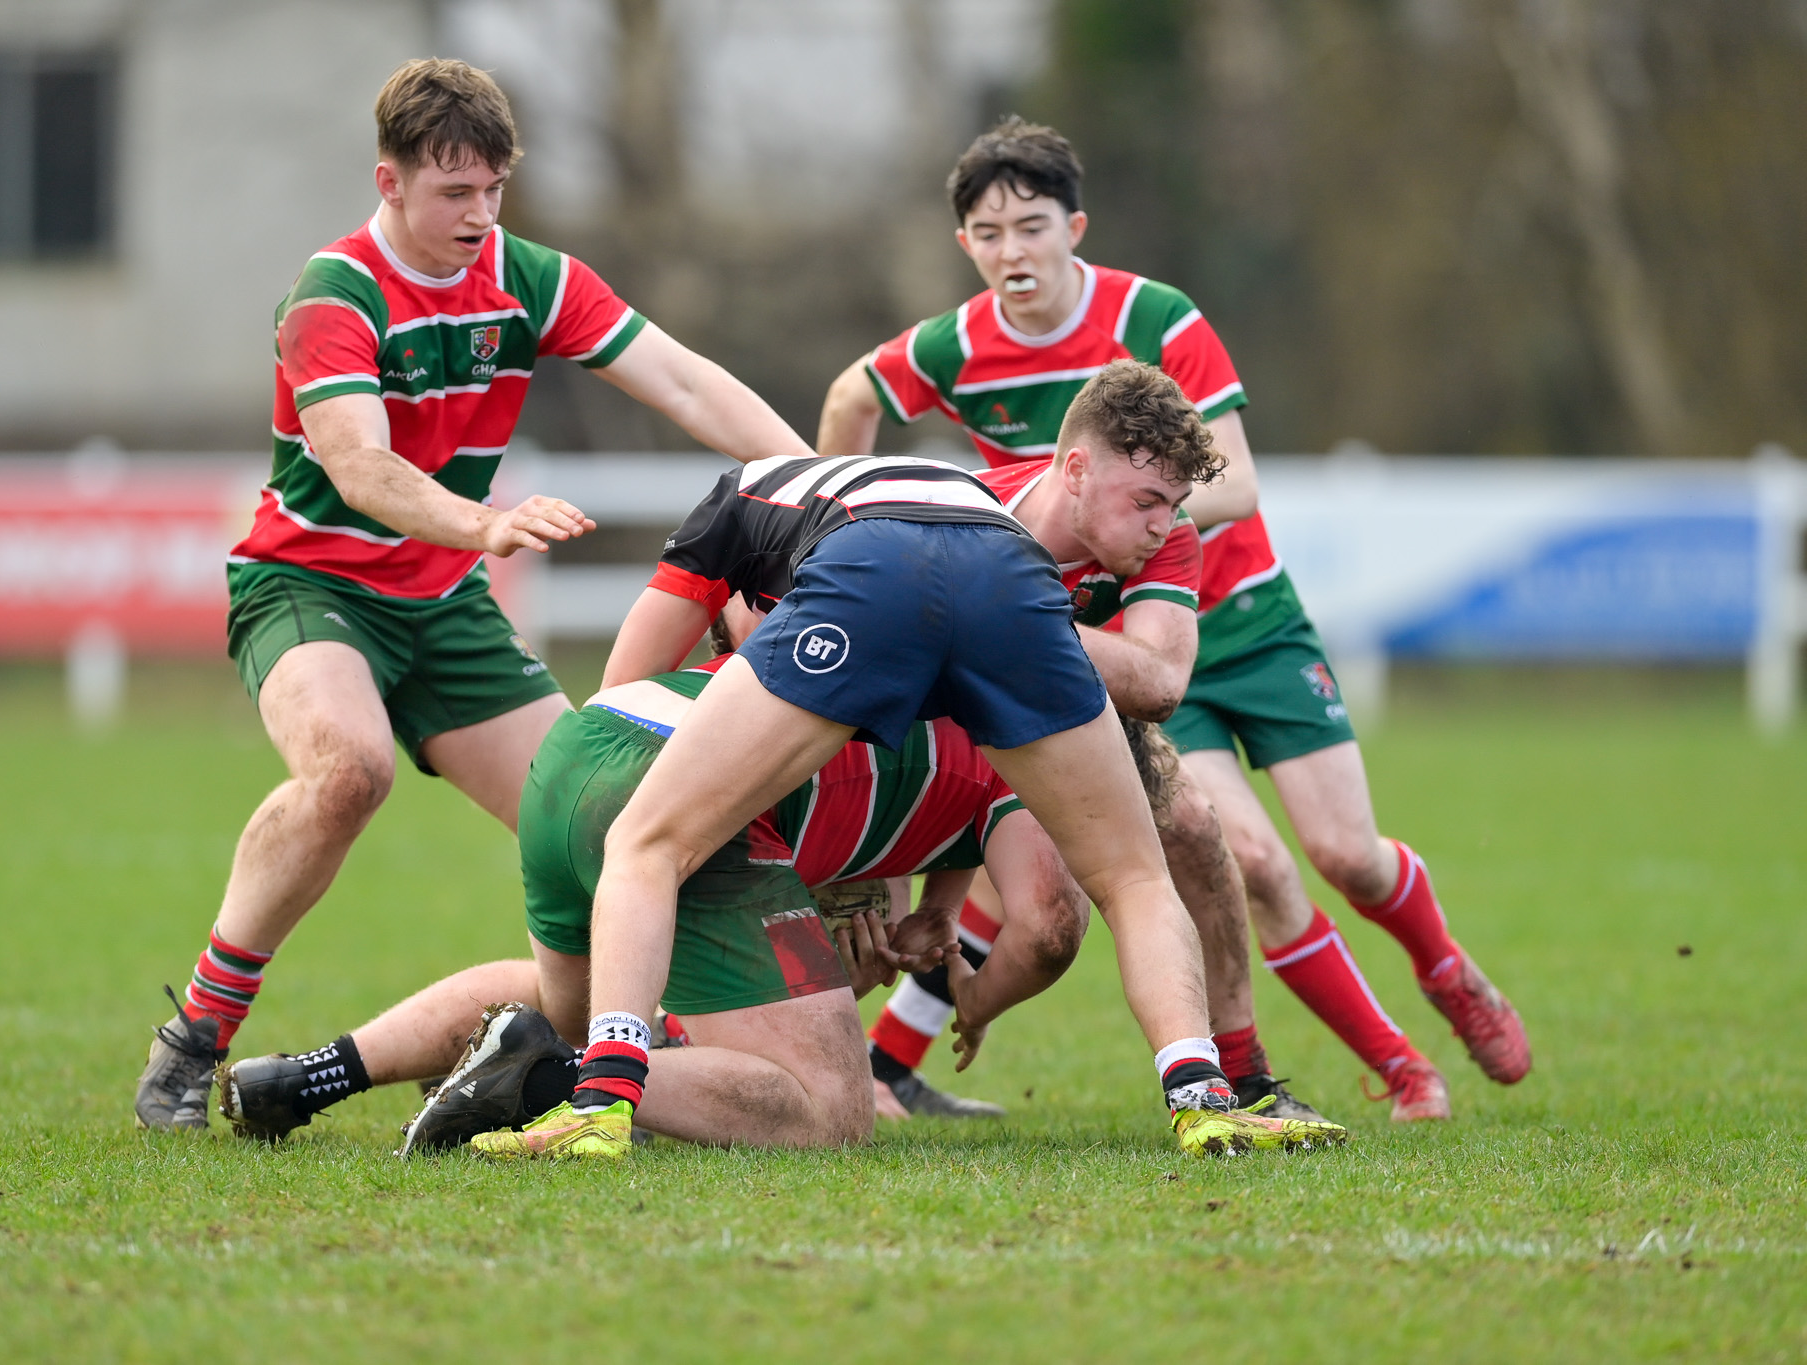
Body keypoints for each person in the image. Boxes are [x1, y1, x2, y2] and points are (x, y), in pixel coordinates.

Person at [135, 58, 817, 1131]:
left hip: (445, 605)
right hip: (309, 584)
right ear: (390, 180)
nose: (479, 215)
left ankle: (605, 1056)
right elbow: (359, 467)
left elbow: (684, 381)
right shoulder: (333, 297)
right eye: (454, 191)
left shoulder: (528, 277)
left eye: (494, 189)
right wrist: (482, 525)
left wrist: (818, 488)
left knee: (604, 809)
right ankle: (197, 1035)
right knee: (349, 772)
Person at [819, 118, 1528, 1121]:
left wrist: (1123, 504)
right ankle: (1400, 1069)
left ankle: (1447, 970)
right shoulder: (955, 346)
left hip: (1242, 612)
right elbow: (851, 394)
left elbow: (1236, 482)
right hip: (1128, 639)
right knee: (1238, 857)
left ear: (1074, 228)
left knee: (1346, 854)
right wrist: (843, 502)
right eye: (990, 233)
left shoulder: (1151, 317)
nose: (1013, 251)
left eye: (1031, 226)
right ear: (964, 243)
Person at [490, 368, 1343, 1163]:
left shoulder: (735, 505)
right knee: (1135, 876)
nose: (1163, 526)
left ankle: (598, 1099)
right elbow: (951, 704)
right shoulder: (977, 501)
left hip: (878, 561)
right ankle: (1203, 1097)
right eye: (1149, 502)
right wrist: (931, 895)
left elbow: (624, 692)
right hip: (1009, 577)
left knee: (647, 837)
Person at [215, 628, 1104, 1153]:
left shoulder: (939, 692)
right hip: (691, 794)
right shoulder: (1029, 769)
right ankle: (550, 1081)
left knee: (575, 1005)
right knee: (832, 1105)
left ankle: (310, 1076)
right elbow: (1048, 924)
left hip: (585, 745)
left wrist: (923, 922)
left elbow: (900, 822)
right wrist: (972, 1003)